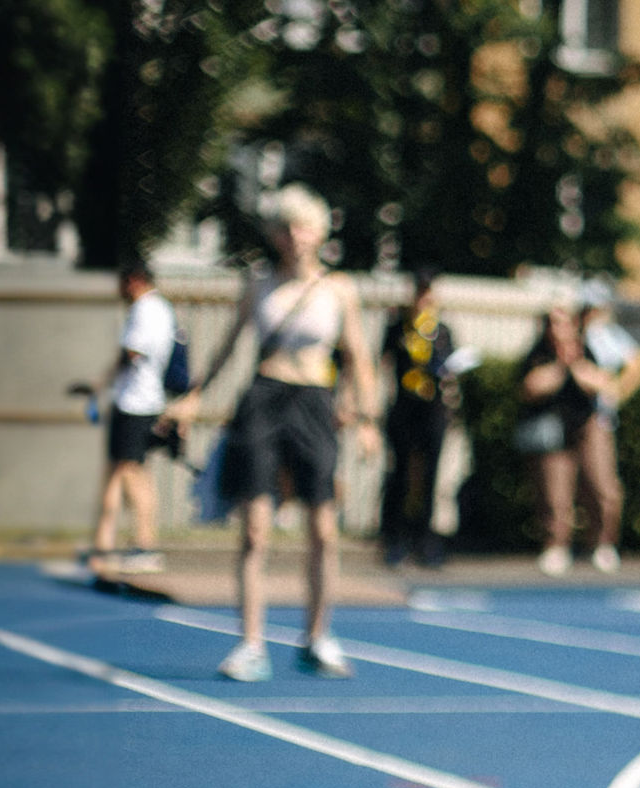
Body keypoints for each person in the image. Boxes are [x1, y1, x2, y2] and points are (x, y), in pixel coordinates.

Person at [177, 187, 376, 680]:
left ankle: (318, 636)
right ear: (274, 234)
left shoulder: (339, 289)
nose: (294, 237)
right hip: (264, 400)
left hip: (314, 403)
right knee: (254, 531)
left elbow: (358, 357)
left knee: (324, 532)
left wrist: (365, 417)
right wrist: (195, 395)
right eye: (285, 227)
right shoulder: (260, 284)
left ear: (319, 232)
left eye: (303, 226)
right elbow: (227, 346)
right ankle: (250, 644)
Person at [85, 262, 180, 572]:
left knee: (131, 472)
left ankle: (145, 544)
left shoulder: (146, 309)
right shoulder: (161, 309)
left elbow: (132, 353)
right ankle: (103, 543)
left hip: (136, 402)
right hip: (139, 400)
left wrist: (102, 382)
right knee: (116, 471)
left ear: (135, 281)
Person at [379, 270, 474, 570]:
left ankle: (425, 541)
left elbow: (451, 366)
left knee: (431, 476)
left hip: (432, 409)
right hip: (405, 407)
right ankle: (394, 537)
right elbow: (383, 361)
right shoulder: (399, 326)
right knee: (401, 474)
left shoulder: (441, 329)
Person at [521, 302, 621, 577]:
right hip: (554, 430)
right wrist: (559, 368)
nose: (560, 329)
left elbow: (604, 384)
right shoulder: (538, 354)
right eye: (554, 323)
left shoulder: (588, 350)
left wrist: (577, 366)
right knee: (555, 493)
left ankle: (602, 543)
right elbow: (531, 387)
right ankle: (556, 546)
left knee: (603, 486)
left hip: (588, 425)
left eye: (565, 323)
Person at [574, 283, 640, 572]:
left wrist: (615, 390)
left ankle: (604, 542)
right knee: (571, 487)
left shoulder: (607, 335)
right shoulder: (573, 333)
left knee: (603, 484)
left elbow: (637, 364)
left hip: (596, 418)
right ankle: (580, 542)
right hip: (568, 416)